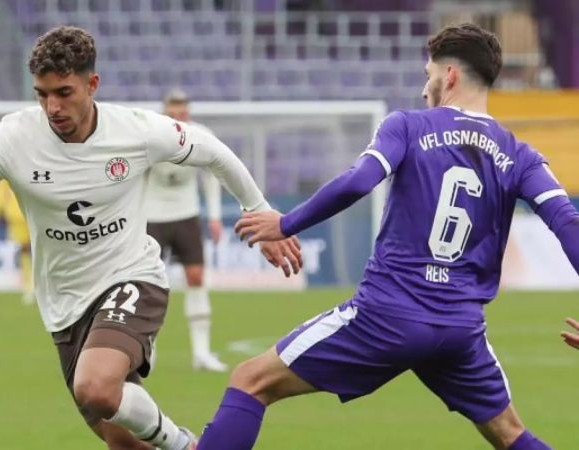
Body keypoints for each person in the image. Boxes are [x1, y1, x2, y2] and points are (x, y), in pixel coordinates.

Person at [0, 26, 302, 450]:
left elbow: (214, 152)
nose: (52, 106)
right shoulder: (10, 138)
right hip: (64, 304)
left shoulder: (136, 131)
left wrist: (257, 209)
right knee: (123, 442)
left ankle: (186, 445)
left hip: (131, 277)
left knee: (95, 386)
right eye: (42, 94)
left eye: (64, 92)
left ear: (92, 84)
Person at [198, 23, 579, 450]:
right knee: (510, 434)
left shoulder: (408, 126)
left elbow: (359, 181)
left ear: (449, 76)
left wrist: (285, 224)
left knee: (250, 381)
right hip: (459, 329)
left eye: (427, 74)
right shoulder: (521, 155)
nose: (424, 88)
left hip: (387, 316)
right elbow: (568, 224)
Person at [144, 89, 227, 372]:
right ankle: (147, 350)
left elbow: (214, 175)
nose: (178, 115)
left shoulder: (201, 135)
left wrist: (214, 217)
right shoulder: (151, 135)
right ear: (165, 111)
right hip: (153, 215)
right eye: (173, 110)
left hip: (186, 214)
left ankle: (201, 353)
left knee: (196, 276)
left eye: (182, 110)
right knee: (149, 282)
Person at [0, 180, 34, 304]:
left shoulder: (6, 171)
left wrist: (0, 211)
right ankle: (31, 286)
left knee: (26, 250)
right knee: (30, 250)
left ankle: (30, 287)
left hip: (16, 213)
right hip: (27, 213)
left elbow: (0, 194)